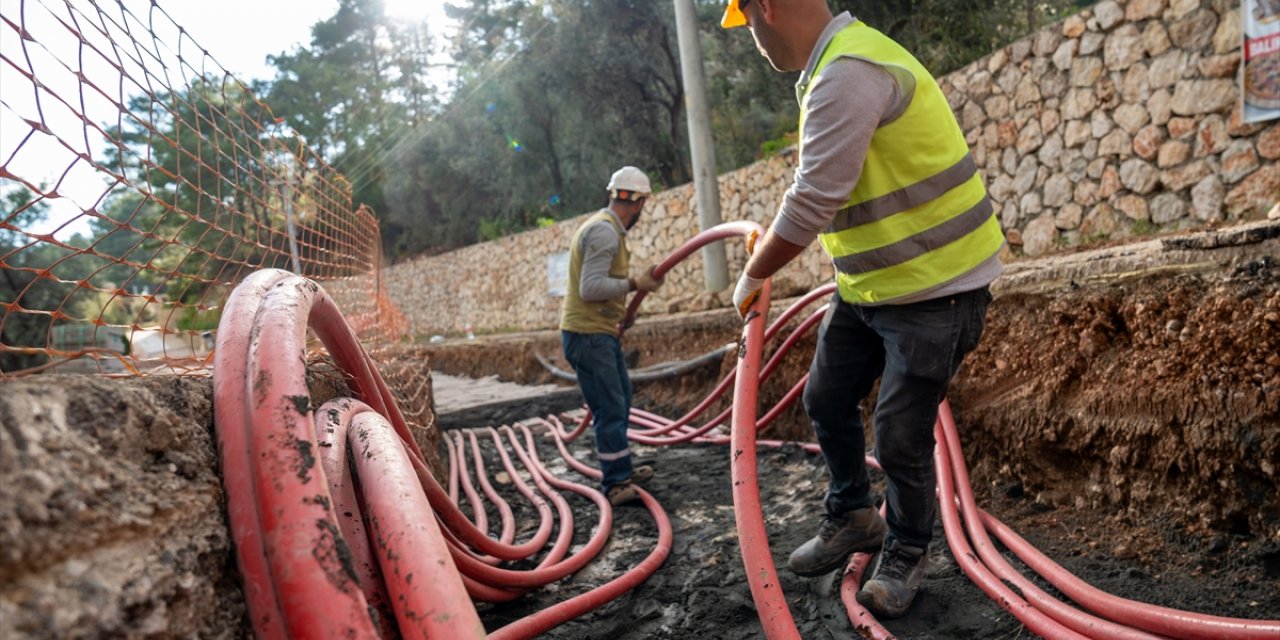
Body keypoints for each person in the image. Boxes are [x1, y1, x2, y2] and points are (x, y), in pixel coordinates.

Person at [721, 0, 1005, 618]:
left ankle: (905, 552)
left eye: (746, 26)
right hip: (872, 289)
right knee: (824, 396)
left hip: (937, 288)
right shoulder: (831, 68)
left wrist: (753, 271)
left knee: (901, 435)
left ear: (766, 8)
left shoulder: (849, 71)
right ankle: (854, 515)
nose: (753, 41)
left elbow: (812, 200)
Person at [560, 166, 665, 507]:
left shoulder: (603, 229)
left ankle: (621, 470)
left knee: (619, 399)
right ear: (637, 203)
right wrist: (635, 284)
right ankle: (616, 483)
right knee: (610, 406)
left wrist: (621, 315)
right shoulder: (605, 233)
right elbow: (590, 289)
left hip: (598, 333)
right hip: (589, 336)